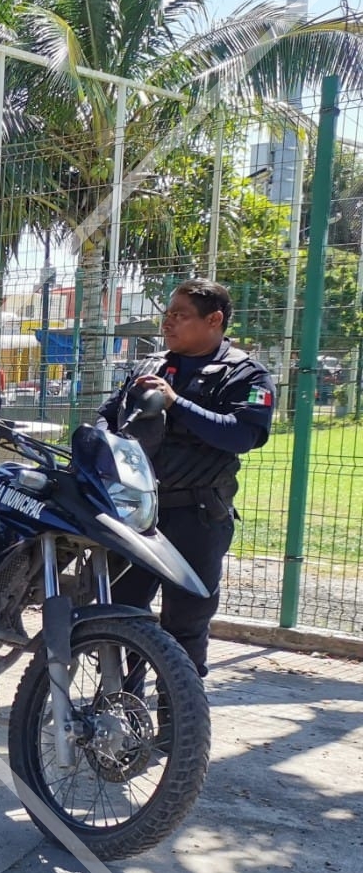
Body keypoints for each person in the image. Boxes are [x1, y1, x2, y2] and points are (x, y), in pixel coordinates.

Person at [95, 278, 276, 677]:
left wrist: (176, 403)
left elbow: (241, 435)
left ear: (214, 320)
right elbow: (107, 416)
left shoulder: (245, 375)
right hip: (135, 513)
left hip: (196, 516)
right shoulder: (151, 366)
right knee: (121, 615)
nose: (168, 322)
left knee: (186, 624)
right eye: (168, 313)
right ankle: (124, 704)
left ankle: (178, 713)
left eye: (180, 315)